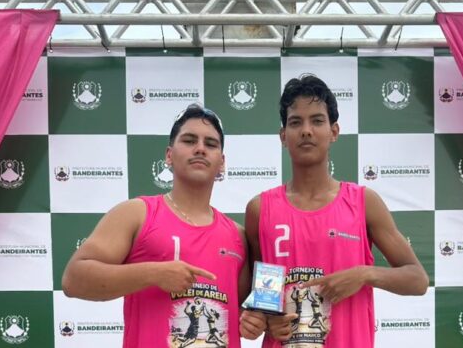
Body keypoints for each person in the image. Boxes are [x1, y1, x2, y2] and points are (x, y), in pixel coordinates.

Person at [239, 74, 429, 347]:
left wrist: (364, 274)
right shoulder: (261, 209)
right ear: (283, 136)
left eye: (317, 121)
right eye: (296, 122)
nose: (306, 130)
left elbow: (418, 279)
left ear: (334, 132)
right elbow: (263, 297)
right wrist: (264, 319)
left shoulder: (363, 202)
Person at [62, 104, 250, 348]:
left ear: (221, 162)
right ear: (169, 155)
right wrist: (153, 273)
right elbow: (73, 280)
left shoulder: (238, 235)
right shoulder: (137, 213)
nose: (200, 148)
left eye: (211, 144)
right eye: (189, 140)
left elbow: (238, 312)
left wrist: (252, 320)